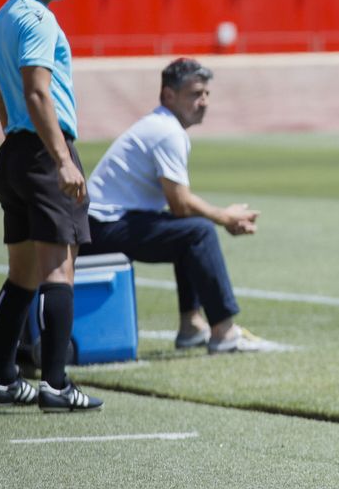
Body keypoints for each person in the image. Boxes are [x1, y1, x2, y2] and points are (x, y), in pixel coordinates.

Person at [0, 0, 102, 412]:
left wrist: (22, 147)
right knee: (59, 273)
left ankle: (5, 381)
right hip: (42, 151)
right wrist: (60, 160)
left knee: (22, 276)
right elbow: (36, 92)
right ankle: (56, 384)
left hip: (15, 150)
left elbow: (0, 98)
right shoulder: (38, 20)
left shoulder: (2, 17)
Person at [82, 58, 265, 353]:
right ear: (168, 95)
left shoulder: (162, 126)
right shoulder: (167, 132)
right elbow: (180, 205)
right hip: (100, 229)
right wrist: (225, 217)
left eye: (206, 94)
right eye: (195, 94)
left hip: (99, 226)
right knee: (198, 232)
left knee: (188, 233)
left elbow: (179, 209)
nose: (204, 101)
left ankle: (191, 326)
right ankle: (224, 332)